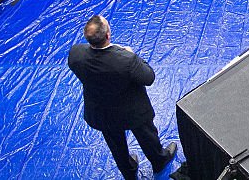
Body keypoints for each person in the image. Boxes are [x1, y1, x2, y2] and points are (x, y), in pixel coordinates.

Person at [67, 15, 177, 179]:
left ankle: (128, 170)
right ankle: (159, 160)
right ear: (108, 35)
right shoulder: (126, 59)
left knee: (116, 146)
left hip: (101, 112)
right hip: (133, 111)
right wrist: (132, 55)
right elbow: (149, 77)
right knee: (147, 136)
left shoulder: (76, 53)